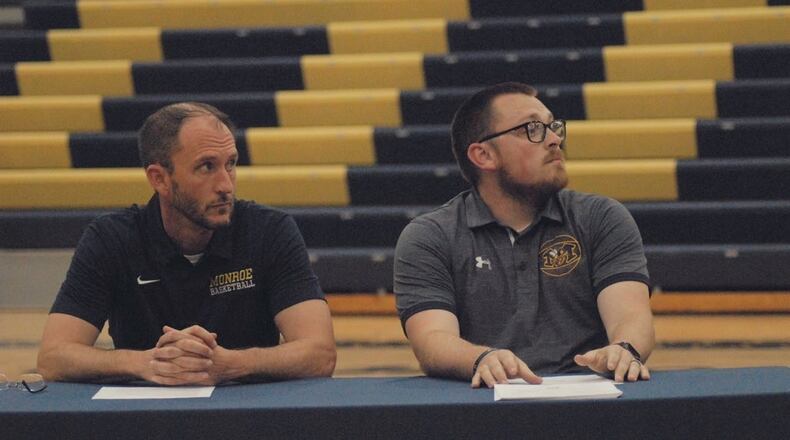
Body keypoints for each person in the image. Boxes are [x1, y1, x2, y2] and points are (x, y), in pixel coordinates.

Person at [37, 102, 336, 385]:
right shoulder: (111, 239)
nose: (225, 185)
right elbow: (53, 357)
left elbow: (320, 354)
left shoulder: (270, 230)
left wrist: (230, 365)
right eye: (206, 167)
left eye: (230, 164)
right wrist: (146, 363)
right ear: (160, 179)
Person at [394, 82, 655, 388]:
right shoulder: (430, 236)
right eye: (533, 128)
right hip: (482, 402)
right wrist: (481, 359)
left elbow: (632, 316)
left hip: (589, 399)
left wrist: (623, 349)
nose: (555, 139)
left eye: (553, 127)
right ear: (484, 155)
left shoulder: (602, 217)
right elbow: (432, 340)